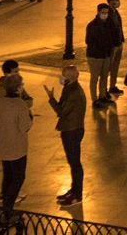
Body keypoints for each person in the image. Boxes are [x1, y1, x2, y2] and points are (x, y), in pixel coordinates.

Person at [44, 64, 86, 207]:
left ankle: (77, 195)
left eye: (64, 74)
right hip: (71, 129)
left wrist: (51, 99)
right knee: (72, 162)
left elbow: (61, 111)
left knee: (75, 163)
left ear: (71, 76)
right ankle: (74, 190)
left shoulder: (73, 93)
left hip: (72, 131)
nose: (61, 77)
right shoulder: (69, 88)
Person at [0, 73, 33, 217]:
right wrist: (30, 117)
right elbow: (25, 126)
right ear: (18, 88)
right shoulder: (20, 104)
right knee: (18, 177)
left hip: (3, 145)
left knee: (8, 176)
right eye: (22, 85)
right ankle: (8, 209)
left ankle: (4, 206)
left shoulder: (2, 102)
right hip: (17, 148)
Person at [85, 3, 114, 108]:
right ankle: (94, 99)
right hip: (95, 56)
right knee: (94, 78)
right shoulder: (92, 25)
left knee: (104, 76)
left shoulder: (108, 23)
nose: (105, 15)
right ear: (98, 12)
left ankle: (102, 95)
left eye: (107, 13)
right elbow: (89, 41)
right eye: (103, 12)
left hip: (105, 55)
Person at [106, 0, 125, 96]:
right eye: (116, 0)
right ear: (110, 1)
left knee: (115, 67)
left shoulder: (116, 12)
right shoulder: (108, 14)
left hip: (119, 43)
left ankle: (112, 86)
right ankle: (104, 90)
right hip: (113, 45)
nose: (118, 1)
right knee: (108, 67)